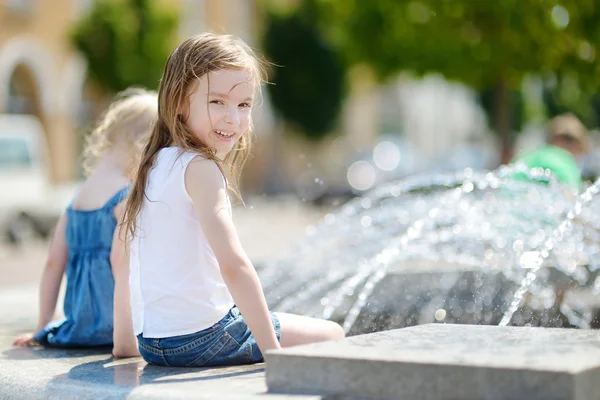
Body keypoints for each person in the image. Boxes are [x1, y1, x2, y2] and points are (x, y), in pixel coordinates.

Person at [120, 33, 345, 368]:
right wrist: (273, 355)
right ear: (179, 101)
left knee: (254, 314)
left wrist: (124, 344)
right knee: (331, 334)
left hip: (153, 342)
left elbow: (126, 258)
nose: (234, 119)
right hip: (200, 339)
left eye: (244, 105)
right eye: (218, 102)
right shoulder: (201, 168)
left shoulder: (154, 164)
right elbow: (234, 266)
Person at [13, 88, 157, 358]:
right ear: (144, 147)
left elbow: (53, 263)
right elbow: (124, 269)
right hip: (117, 328)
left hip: (79, 326)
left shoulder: (76, 200)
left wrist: (42, 327)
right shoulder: (125, 197)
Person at [512, 113, 589, 187]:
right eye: (578, 151)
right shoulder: (562, 161)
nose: (577, 158)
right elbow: (571, 193)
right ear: (560, 139)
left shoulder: (526, 156)